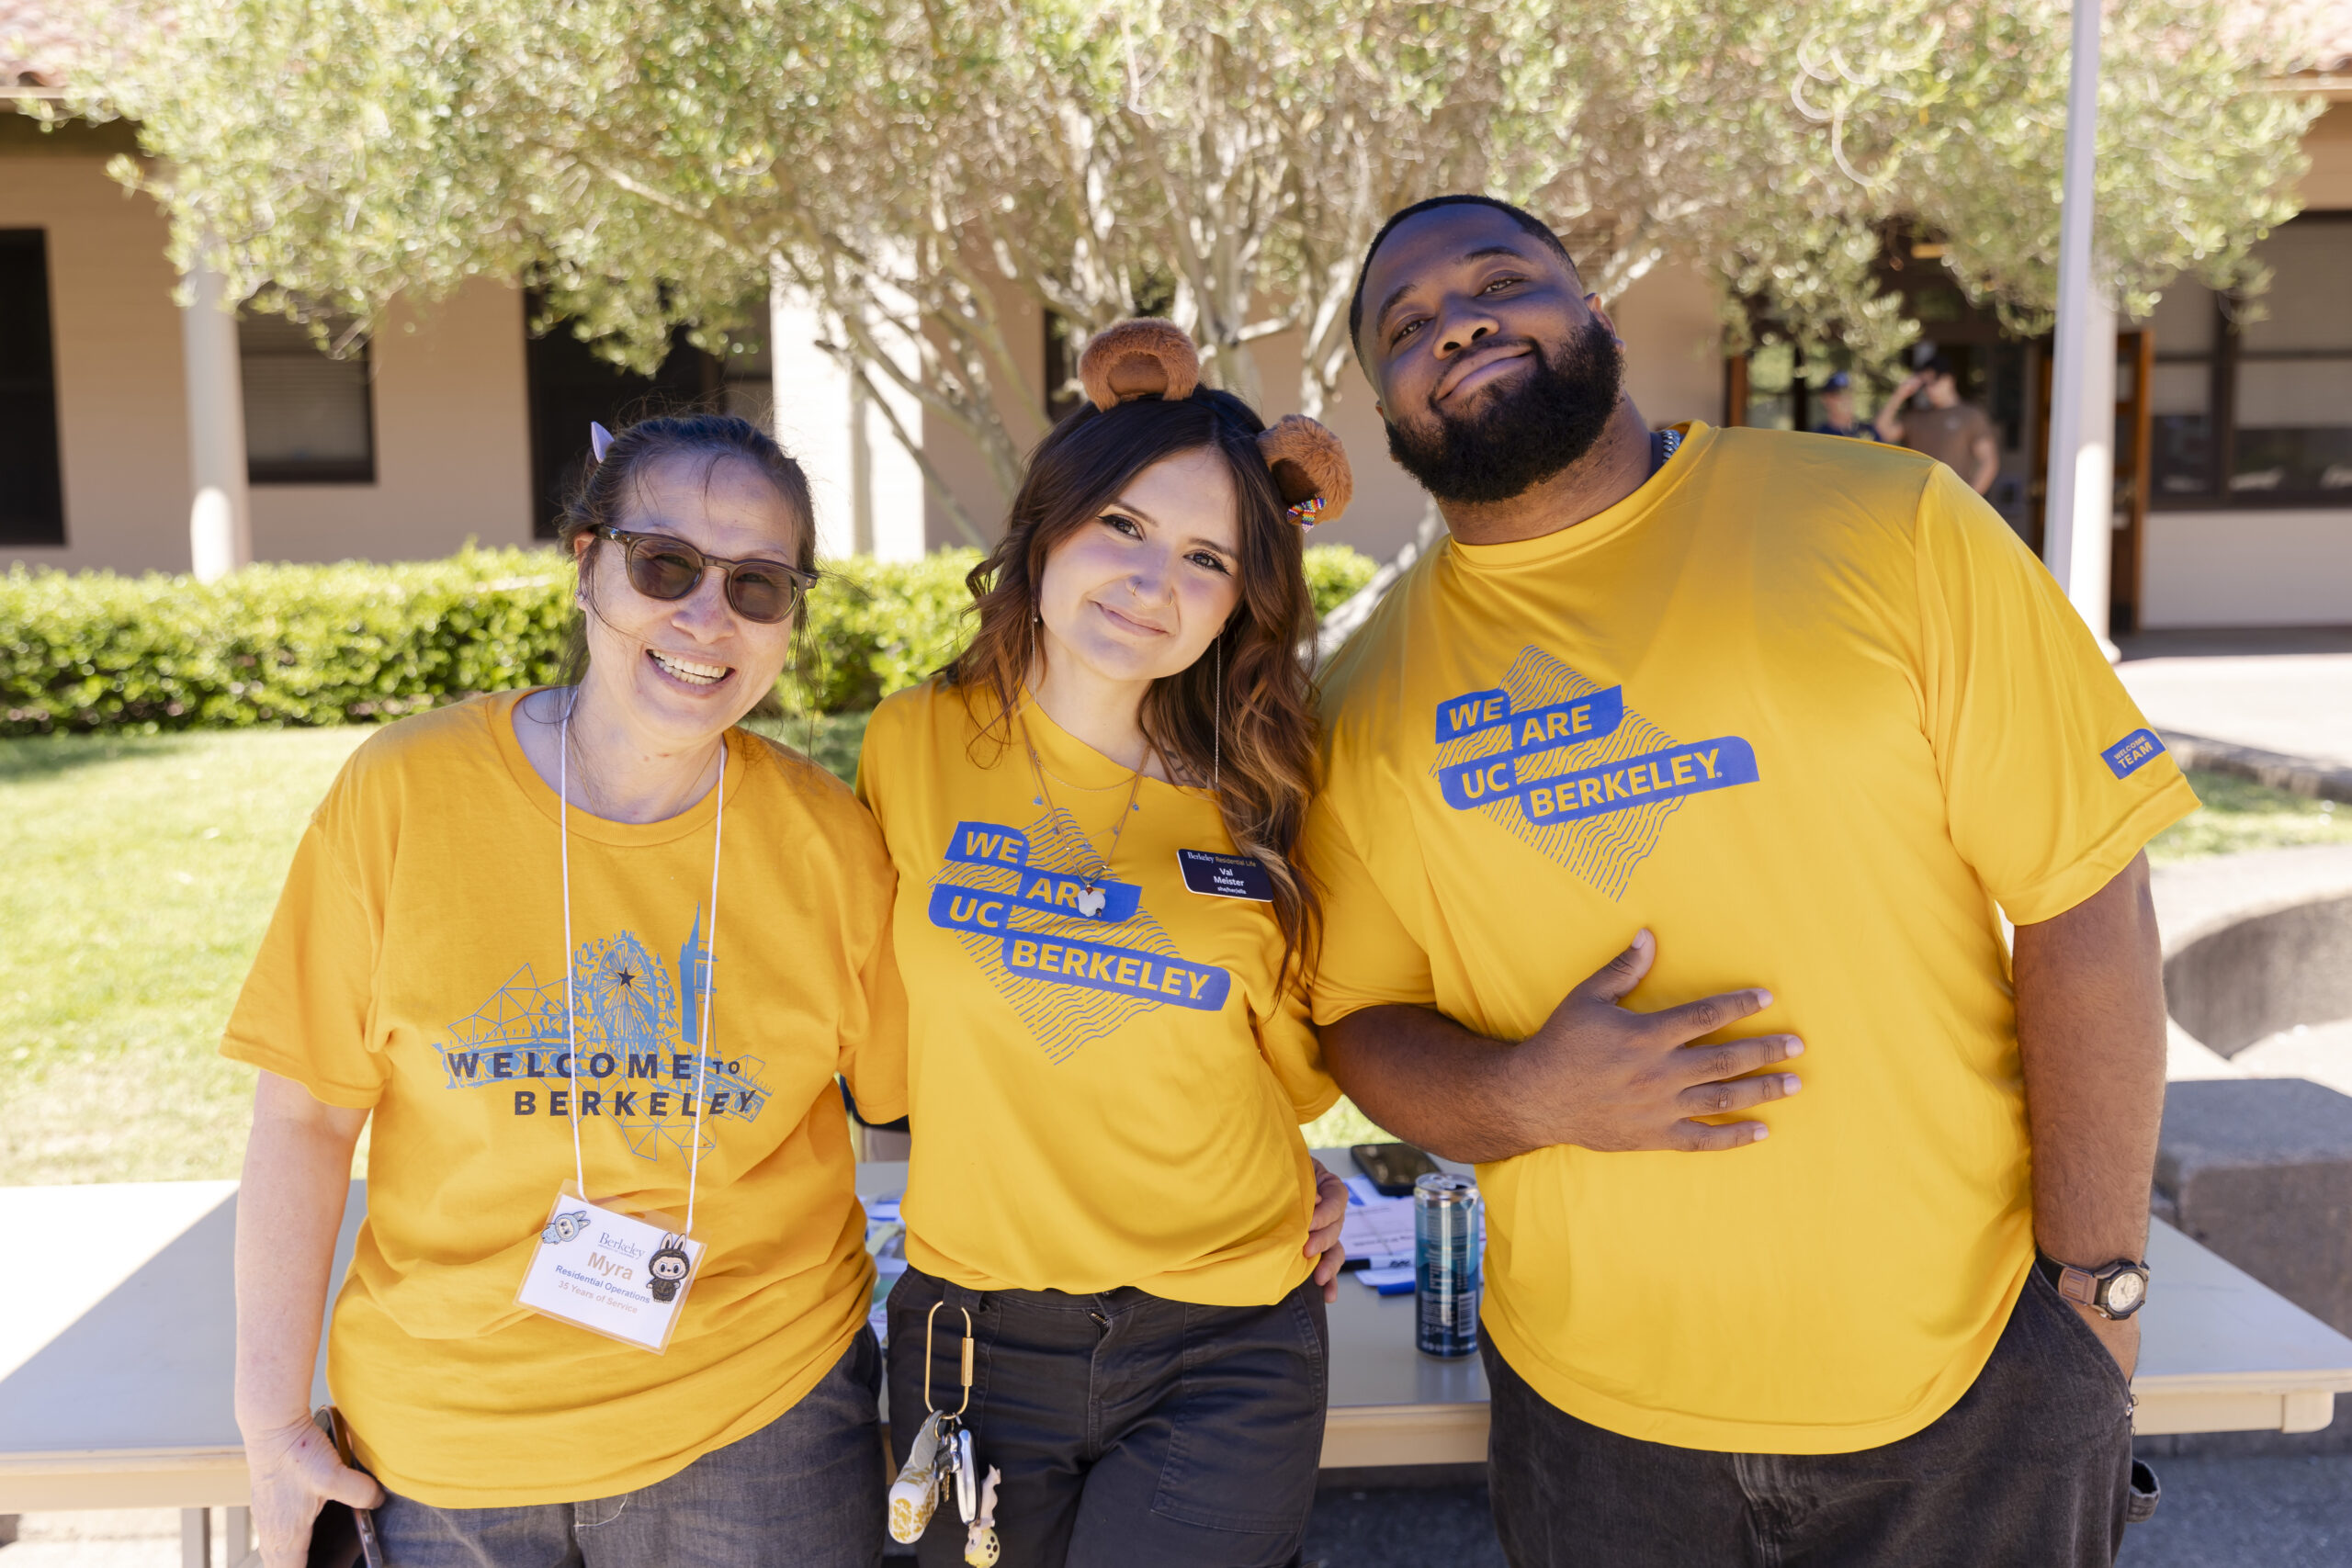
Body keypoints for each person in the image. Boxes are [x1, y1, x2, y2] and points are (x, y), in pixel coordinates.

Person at [1312, 194, 2192, 1565]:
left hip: (1970, 1384)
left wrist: (2096, 1295)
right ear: (1388, 411)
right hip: (1594, 1415)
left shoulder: (1889, 520)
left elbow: (2086, 898)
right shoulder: (1363, 690)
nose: (1459, 322)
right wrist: (1523, 1092)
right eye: (1407, 327)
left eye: (1500, 280)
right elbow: (1359, 1018)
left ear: (1594, 308)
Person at [223, 414, 906, 1568]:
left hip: (761, 1426)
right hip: (446, 1445)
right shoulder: (404, 794)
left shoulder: (832, 844)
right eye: (665, 566)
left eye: (758, 584)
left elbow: (943, 1098)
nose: (708, 617)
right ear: (585, 559)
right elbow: (303, 1115)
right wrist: (271, 1425)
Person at [855, 320, 1354, 1568]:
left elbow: (1291, 1069)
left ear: (1243, 599)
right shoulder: (912, 744)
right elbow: (875, 1052)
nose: (1154, 581)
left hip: (1227, 1335)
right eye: (1124, 527)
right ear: (1049, 523)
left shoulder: (1270, 786)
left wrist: (1321, 1186)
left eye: (1206, 557)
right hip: (972, 1336)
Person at [1875, 353, 2001, 493]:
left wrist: (1969, 498)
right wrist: (1899, 394)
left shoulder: (1971, 416)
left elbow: (1989, 462)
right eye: (1924, 384)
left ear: (1950, 379)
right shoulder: (1915, 417)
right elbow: (1882, 432)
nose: (1929, 389)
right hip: (1915, 499)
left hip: (1952, 501)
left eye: (1934, 381)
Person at [1807, 369, 1867, 438]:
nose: (1846, 398)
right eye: (1839, 393)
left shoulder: (1868, 432)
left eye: (1849, 391)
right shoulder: (1817, 437)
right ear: (1825, 399)